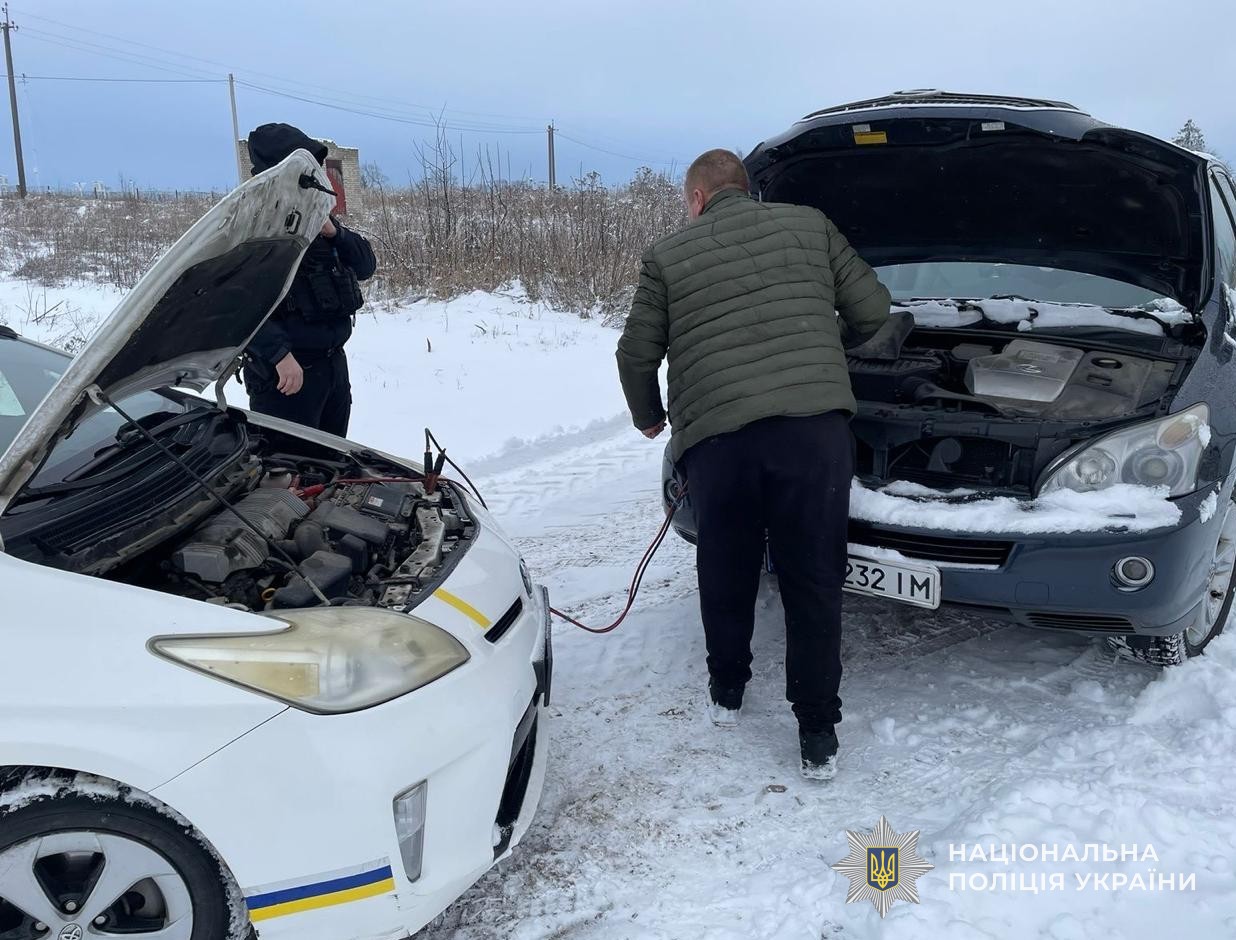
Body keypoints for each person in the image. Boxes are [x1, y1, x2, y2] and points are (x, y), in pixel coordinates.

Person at [616, 149, 891, 780]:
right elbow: (873, 312)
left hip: (720, 441)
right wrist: (824, 344)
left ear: (696, 199)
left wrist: (648, 416)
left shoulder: (667, 256)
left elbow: (634, 355)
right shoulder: (811, 225)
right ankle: (817, 734)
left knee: (726, 565)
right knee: (813, 578)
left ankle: (727, 690)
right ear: (748, 190)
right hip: (813, 435)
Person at [242, 123, 377, 437]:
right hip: (287, 374)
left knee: (331, 458)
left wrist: (335, 233)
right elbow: (236, 303)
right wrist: (278, 354)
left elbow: (365, 266)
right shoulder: (253, 225)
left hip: (332, 367)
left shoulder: (317, 215)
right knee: (288, 461)